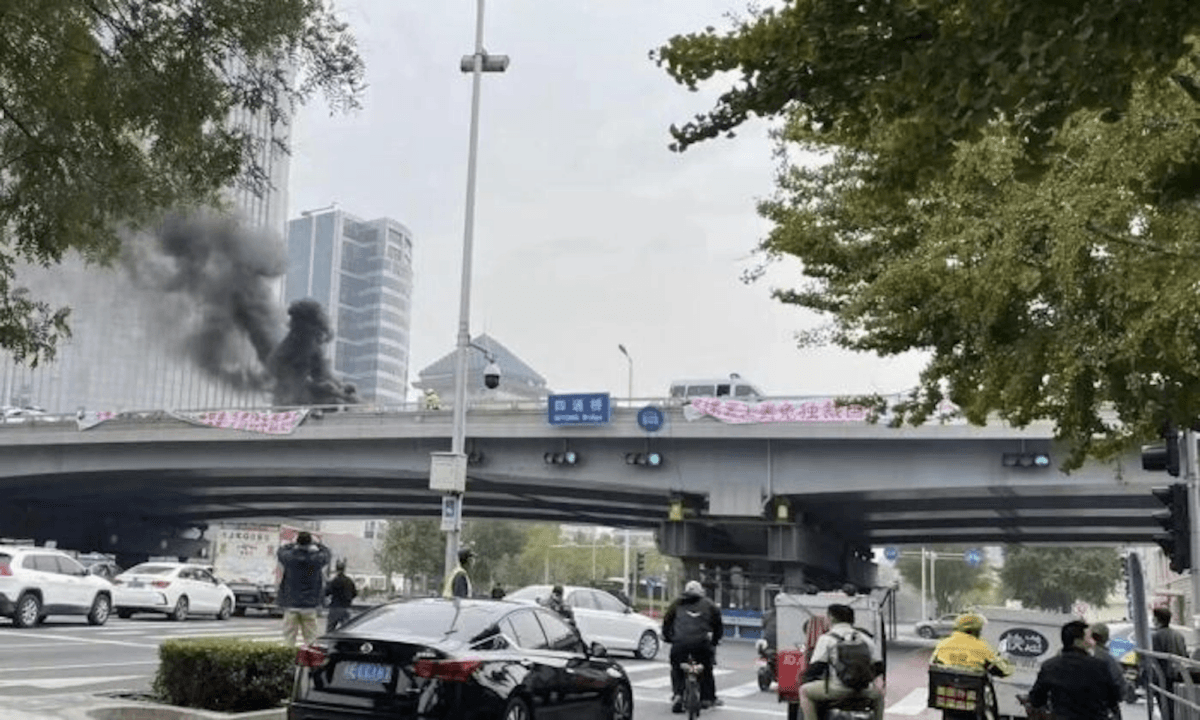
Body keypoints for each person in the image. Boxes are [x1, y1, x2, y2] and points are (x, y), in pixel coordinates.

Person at [799, 604, 884, 720]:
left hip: (837, 689)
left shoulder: (826, 638)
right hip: (864, 690)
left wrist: (805, 678)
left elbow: (816, 668)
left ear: (831, 618)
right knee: (879, 696)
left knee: (804, 691)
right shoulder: (865, 638)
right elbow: (879, 667)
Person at [1027, 620, 1121, 720]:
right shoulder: (1099, 666)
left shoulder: (1050, 666)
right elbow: (1114, 696)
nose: (1092, 641)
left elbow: (1036, 699)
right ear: (1078, 642)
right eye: (1088, 638)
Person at [663, 580, 723, 713]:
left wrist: (669, 638)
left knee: (676, 667)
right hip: (702, 644)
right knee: (707, 667)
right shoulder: (709, 604)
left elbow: (666, 622)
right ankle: (708, 698)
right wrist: (715, 641)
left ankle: (678, 694)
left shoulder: (676, 603)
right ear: (701, 591)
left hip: (679, 644)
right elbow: (718, 626)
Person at [276, 531, 332, 646]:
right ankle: (309, 661)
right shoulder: (316, 560)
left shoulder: (289, 558)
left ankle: (288, 660)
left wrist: (291, 544)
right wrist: (318, 545)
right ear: (310, 542)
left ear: (297, 542)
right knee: (311, 639)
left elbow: (280, 551)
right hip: (310, 605)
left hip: (291, 603)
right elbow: (327, 553)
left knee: (288, 638)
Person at [931, 612, 1014, 675]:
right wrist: (1007, 662)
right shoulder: (983, 647)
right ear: (977, 630)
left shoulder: (943, 644)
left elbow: (932, 664)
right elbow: (1004, 670)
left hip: (944, 691)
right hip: (972, 693)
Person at [1152, 607, 1189, 720]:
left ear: (1157, 619)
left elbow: (1156, 660)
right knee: (1180, 708)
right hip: (1180, 676)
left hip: (1164, 677)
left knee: (1166, 709)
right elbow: (1185, 655)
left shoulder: (1156, 636)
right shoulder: (1179, 635)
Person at [1088, 622, 1129, 719]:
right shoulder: (1107, 658)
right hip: (1105, 707)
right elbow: (1118, 683)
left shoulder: (1084, 653)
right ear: (1105, 637)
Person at [324, 559, 357, 633]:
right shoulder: (349, 581)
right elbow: (355, 593)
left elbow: (326, 592)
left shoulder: (334, 581)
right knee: (346, 630)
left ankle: (329, 643)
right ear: (344, 569)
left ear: (336, 569)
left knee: (330, 630)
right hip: (346, 608)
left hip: (335, 608)